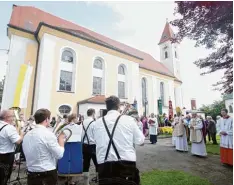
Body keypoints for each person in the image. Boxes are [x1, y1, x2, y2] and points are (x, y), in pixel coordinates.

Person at [93, 96, 145, 185]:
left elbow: (95, 141)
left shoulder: (96, 123)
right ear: (118, 106)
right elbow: (140, 141)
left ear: (107, 107)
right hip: (126, 162)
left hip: (104, 164)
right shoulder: (129, 120)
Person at [23, 109, 65, 185]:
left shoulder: (27, 134)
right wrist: (61, 141)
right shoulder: (48, 134)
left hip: (31, 173)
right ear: (46, 119)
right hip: (46, 174)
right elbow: (59, 155)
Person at [0, 110, 24, 185]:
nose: (13, 118)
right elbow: (18, 141)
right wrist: (22, 134)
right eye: (12, 116)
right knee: (4, 176)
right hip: (5, 156)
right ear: (7, 118)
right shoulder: (9, 128)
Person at [82, 109, 98, 185]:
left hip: (84, 146)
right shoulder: (94, 123)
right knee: (97, 163)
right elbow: (96, 135)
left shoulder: (82, 122)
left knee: (86, 164)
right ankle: (98, 180)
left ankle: (86, 183)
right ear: (93, 114)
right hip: (93, 146)